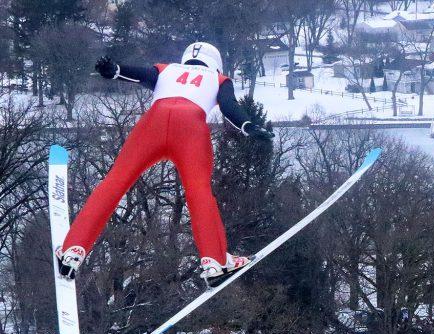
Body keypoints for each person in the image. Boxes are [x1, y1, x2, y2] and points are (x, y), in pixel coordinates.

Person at [55, 42, 272, 286]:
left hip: (153, 124)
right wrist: (248, 127)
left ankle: (74, 248)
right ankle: (214, 261)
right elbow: (230, 107)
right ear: (216, 63)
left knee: (115, 182)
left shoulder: (167, 70)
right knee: (199, 193)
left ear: (186, 59)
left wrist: (114, 69)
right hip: (190, 128)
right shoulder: (219, 79)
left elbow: (139, 75)